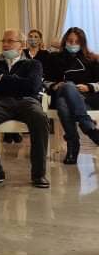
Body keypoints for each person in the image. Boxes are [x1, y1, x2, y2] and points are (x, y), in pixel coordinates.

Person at [0, 29, 49, 188]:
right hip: (0, 102)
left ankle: (39, 175)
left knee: (40, 118)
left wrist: (3, 79)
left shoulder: (33, 64)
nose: (5, 44)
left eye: (10, 41)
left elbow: (33, 86)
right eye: (3, 41)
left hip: (27, 101)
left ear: (22, 45)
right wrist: (17, 81)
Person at [43, 26, 99, 164]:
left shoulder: (92, 59)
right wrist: (55, 85)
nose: (73, 44)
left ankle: (73, 145)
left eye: (77, 42)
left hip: (86, 98)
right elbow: (43, 80)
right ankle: (88, 127)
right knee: (67, 86)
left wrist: (88, 86)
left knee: (64, 103)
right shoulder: (54, 58)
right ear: (65, 41)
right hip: (59, 92)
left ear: (82, 43)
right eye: (70, 41)